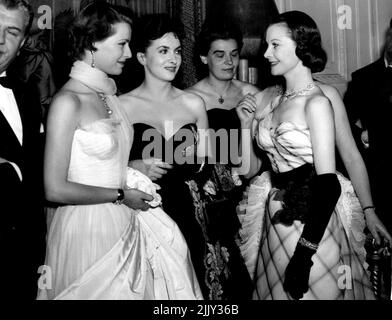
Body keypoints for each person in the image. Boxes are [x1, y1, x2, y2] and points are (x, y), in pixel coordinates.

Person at [37, 2, 201, 300]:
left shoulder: (109, 95)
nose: (128, 53)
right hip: (87, 228)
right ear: (92, 44)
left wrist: (131, 176)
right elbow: (54, 188)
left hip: (124, 217)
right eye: (122, 44)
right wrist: (121, 194)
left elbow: (113, 162)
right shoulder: (67, 102)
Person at [236, 11, 389, 300]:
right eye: (266, 45)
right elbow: (248, 171)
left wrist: (369, 211)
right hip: (275, 211)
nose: (266, 53)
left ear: (301, 46)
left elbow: (351, 157)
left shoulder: (323, 98)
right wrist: (245, 126)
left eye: (275, 45)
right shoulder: (265, 98)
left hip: (314, 211)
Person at [121, 14, 243, 300]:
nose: (173, 59)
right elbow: (103, 165)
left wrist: (199, 158)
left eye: (176, 51)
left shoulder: (193, 103)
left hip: (192, 212)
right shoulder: (123, 107)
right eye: (163, 51)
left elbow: (212, 167)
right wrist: (133, 166)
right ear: (141, 57)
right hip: (145, 211)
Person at [185, 17, 259, 299]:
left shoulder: (251, 94)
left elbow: (255, 162)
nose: (228, 61)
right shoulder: (188, 99)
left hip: (246, 194)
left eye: (234, 54)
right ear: (204, 57)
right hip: (208, 199)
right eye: (219, 54)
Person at [0, 0, 46, 299]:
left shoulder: (27, 94)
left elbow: (38, 178)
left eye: (12, 31)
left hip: (24, 264)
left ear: (23, 43)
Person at [343, 18, 392, 235]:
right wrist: (364, 136)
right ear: (389, 35)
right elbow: (342, 125)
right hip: (377, 181)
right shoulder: (363, 78)